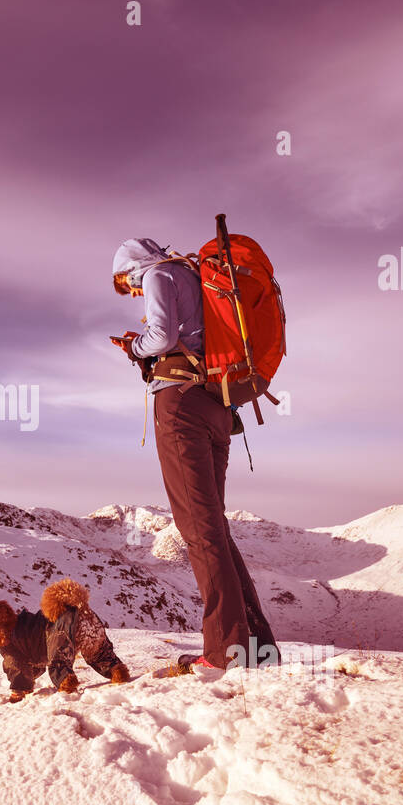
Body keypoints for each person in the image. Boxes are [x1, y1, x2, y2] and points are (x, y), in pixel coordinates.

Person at [110, 238, 280, 669]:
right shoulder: (196, 274)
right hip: (217, 405)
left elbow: (163, 334)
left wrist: (135, 348)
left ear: (129, 267)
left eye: (126, 286)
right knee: (214, 526)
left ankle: (226, 654)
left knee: (198, 528)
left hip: (180, 403)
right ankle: (257, 646)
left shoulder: (156, 273)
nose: (133, 293)